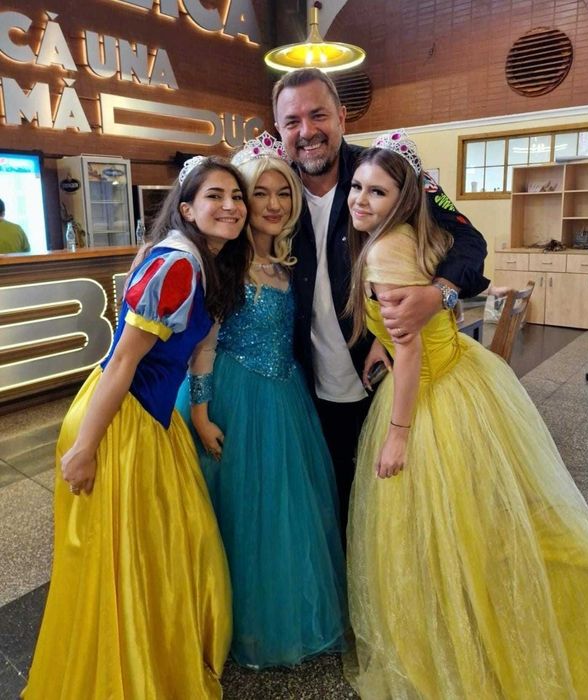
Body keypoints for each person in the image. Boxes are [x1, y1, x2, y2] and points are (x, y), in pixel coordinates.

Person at [344, 131, 588, 699]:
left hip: (430, 397)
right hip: (462, 375)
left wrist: (398, 433)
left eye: (377, 191)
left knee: (436, 518)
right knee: (468, 516)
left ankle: (455, 623)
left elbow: (412, 350)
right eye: (357, 186)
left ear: (404, 199)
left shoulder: (385, 250)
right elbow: (411, 329)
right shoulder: (412, 237)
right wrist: (381, 342)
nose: (361, 199)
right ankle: (472, 602)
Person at [23, 156, 252, 699]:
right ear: (187, 208)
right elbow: (123, 361)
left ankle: (153, 660)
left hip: (152, 420)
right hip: (119, 421)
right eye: (215, 196)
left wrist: (199, 415)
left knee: (163, 547)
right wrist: (86, 447)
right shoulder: (176, 266)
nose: (231, 206)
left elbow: (199, 350)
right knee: (123, 560)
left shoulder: (208, 262)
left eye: (236, 196)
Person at [272, 68, 489, 534]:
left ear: (342, 116)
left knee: (393, 514)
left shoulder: (381, 169)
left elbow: (469, 241)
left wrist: (438, 293)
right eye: (292, 121)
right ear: (279, 129)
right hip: (306, 381)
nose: (307, 131)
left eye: (318, 115)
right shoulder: (274, 187)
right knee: (329, 502)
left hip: (384, 378)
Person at [175, 133, 347, 669]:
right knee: (241, 513)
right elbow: (204, 346)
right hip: (234, 396)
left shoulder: (286, 262)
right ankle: (235, 622)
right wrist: (201, 413)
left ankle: (279, 615)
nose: (274, 204)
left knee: (283, 515)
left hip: (285, 397)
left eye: (284, 193)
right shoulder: (225, 263)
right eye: (261, 193)